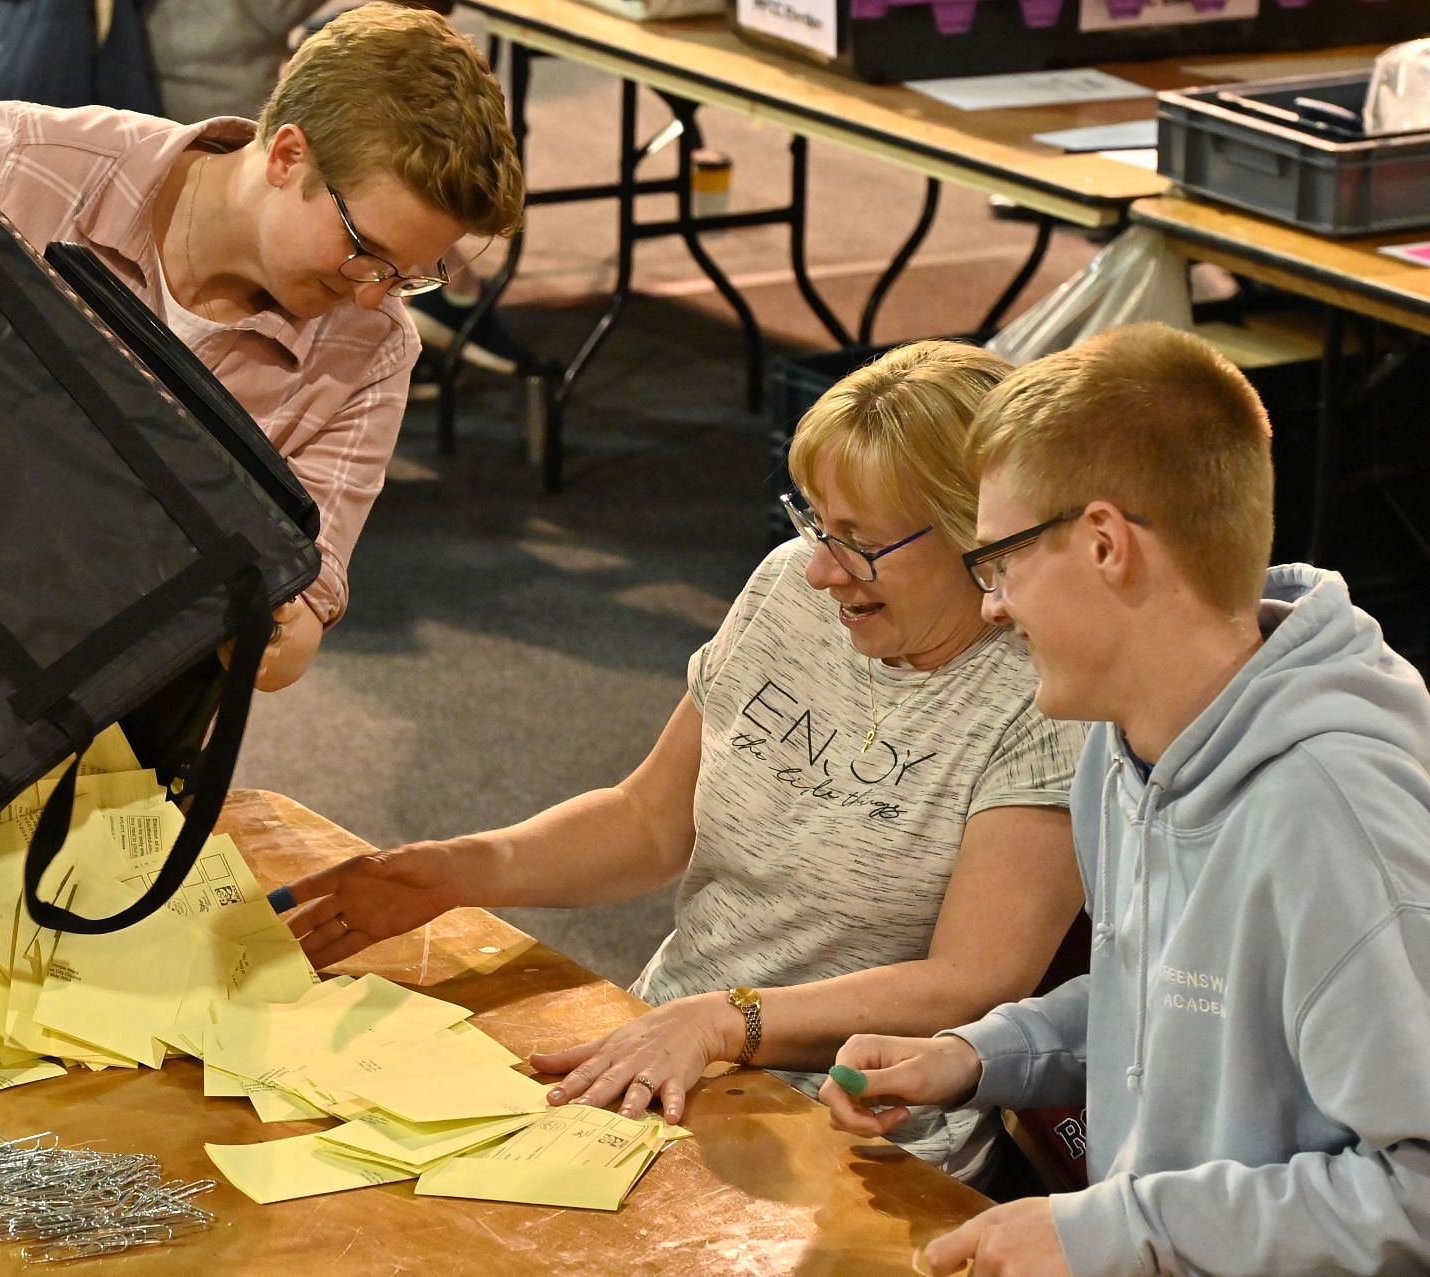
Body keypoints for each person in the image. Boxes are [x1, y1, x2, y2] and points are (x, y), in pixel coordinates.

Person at [283, 341, 1089, 1182]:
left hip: (857, 1135)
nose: (818, 568)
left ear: (980, 538)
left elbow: (971, 980)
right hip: (665, 1052)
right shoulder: (790, 588)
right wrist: (460, 870)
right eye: (813, 520)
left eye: (858, 541)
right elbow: (648, 820)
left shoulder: (1042, 692)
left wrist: (722, 1021)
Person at [818, 323, 1430, 1275]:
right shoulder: (1128, 733)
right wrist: (981, 1055)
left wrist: (1114, 1231)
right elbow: (1180, 1000)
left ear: (1105, 542)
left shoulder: (1332, 813)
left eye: (1001, 561)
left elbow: (1418, 1196)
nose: (991, 604)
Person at [0, 2, 524, 690]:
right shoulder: (33, 169)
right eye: (366, 252)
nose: (373, 294)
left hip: (82, 696)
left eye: (409, 276)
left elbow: (303, 604)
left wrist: (273, 612)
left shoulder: (373, 351)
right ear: (287, 155)